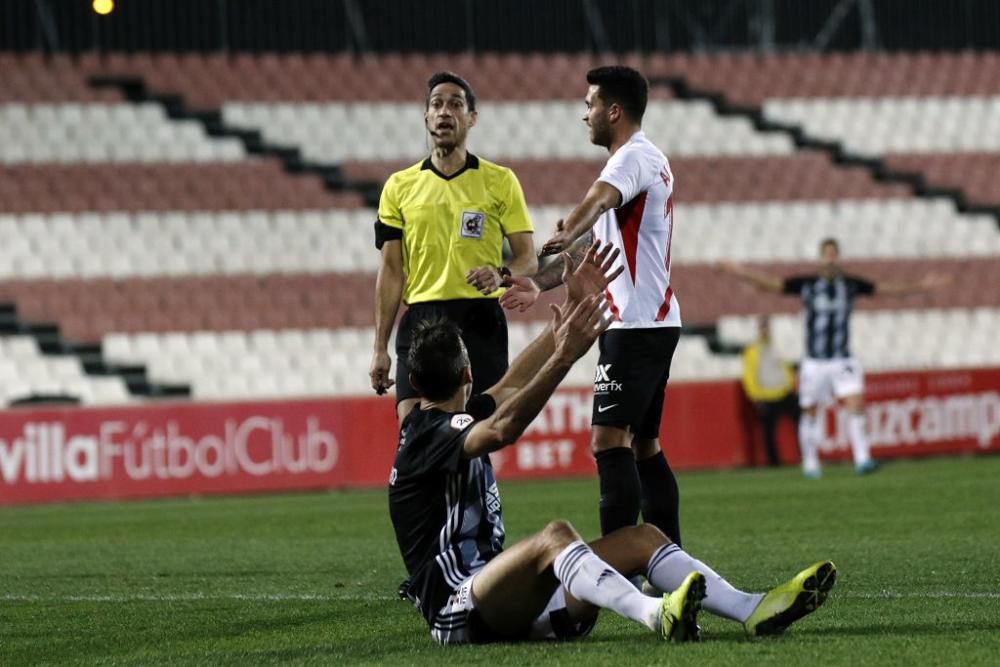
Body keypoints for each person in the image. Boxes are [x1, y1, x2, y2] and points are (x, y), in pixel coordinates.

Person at [389, 241, 837, 645]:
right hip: (457, 609)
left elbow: (509, 386)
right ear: (468, 373)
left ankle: (752, 608)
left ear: (414, 381)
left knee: (642, 538)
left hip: (505, 601)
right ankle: (656, 613)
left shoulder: (444, 420)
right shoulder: (425, 437)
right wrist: (566, 355)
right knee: (555, 537)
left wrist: (575, 305)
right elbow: (503, 428)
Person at [500, 66, 684, 547]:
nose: (585, 114)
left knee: (608, 441)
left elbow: (596, 202)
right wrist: (539, 285)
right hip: (651, 321)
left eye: (590, 105)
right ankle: (671, 562)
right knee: (644, 446)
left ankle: (620, 565)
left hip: (635, 327)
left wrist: (567, 228)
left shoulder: (631, 160)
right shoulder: (640, 163)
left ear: (614, 111)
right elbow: (588, 257)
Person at [370, 71, 538, 424]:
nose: (445, 111)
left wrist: (501, 274)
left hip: (478, 319)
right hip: (422, 319)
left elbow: (528, 258)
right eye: (437, 104)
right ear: (426, 116)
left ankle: (476, 482)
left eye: (456, 104)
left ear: (472, 117)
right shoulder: (398, 187)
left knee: (477, 430)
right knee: (412, 427)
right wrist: (379, 348)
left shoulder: (500, 181)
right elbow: (391, 271)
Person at [720, 238, 948, 478]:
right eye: (826, 254)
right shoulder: (806, 284)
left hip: (842, 359)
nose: (830, 259)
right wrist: (740, 272)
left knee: (855, 404)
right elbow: (773, 284)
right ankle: (810, 462)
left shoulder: (850, 285)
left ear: (838, 257)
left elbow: (883, 289)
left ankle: (862, 459)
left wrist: (921, 287)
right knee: (809, 412)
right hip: (815, 361)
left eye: (834, 254)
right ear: (821, 258)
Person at [741, 316, 800, 467]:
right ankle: (773, 462)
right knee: (768, 432)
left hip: (784, 392)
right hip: (766, 395)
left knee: (802, 423)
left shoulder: (775, 346)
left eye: (767, 328)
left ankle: (807, 455)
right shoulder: (752, 351)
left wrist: (790, 385)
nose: (765, 331)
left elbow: (785, 368)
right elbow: (749, 375)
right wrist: (755, 395)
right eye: (763, 328)